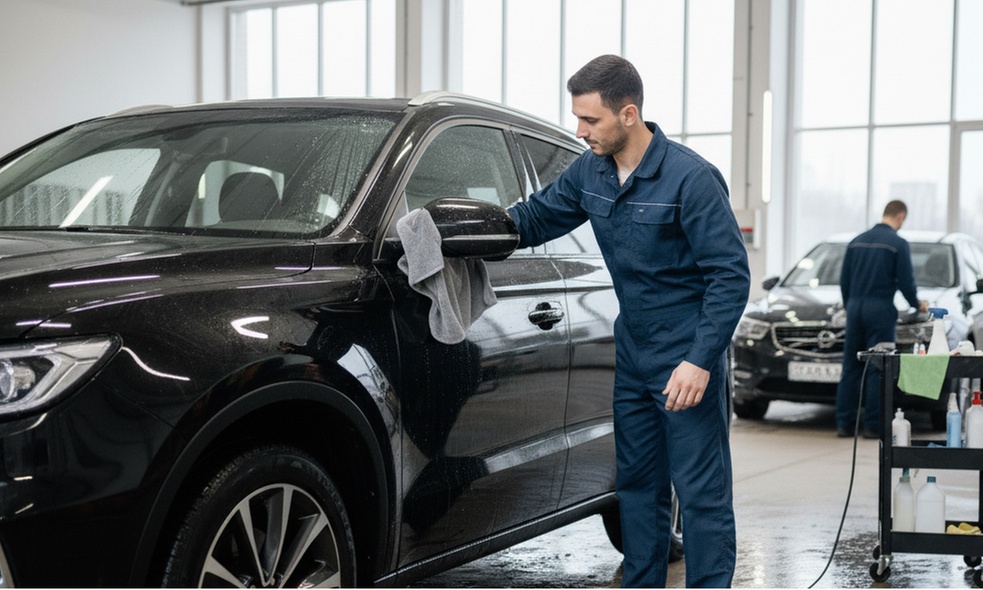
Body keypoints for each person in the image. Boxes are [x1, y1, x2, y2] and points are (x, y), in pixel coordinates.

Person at [506, 55, 750, 588]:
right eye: (577, 118)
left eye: (590, 120)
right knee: (638, 486)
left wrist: (699, 361)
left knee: (701, 492)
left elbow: (730, 278)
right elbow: (536, 217)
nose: (580, 131)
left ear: (629, 114)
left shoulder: (691, 179)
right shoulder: (589, 171)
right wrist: (461, 231)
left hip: (686, 358)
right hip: (635, 355)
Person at [835, 200, 928, 438]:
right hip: (880, 308)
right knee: (879, 367)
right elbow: (906, 281)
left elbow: (844, 280)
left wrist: (850, 304)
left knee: (851, 367)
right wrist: (916, 303)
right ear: (900, 217)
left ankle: (844, 424)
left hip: (855, 306)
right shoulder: (898, 244)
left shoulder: (856, 241)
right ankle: (873, 425)